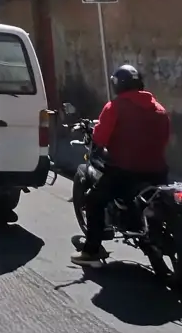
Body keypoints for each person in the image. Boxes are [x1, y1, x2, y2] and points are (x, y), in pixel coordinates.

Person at [71, 65, 170, 268]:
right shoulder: (159, 108)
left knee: (93, 199)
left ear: (117, 85)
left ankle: (91, 251)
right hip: (157, 172)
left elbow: (99, 137)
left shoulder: (115, 107)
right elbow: (165, 138)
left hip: (124, 172)